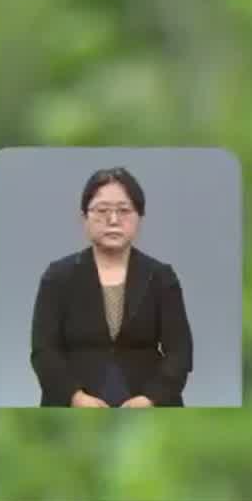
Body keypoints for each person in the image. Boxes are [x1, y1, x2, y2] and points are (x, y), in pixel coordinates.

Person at [29, 167, 193, 407]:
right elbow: (44, 350)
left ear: (140, 217)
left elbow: (179, 352)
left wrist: (151, 398)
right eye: (102, 210)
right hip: (74, 405)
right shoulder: (58, 276)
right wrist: (75, 397)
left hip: (148, 404)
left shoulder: (160, 277)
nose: (113, 220)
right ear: (83, 217)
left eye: (124, 210)